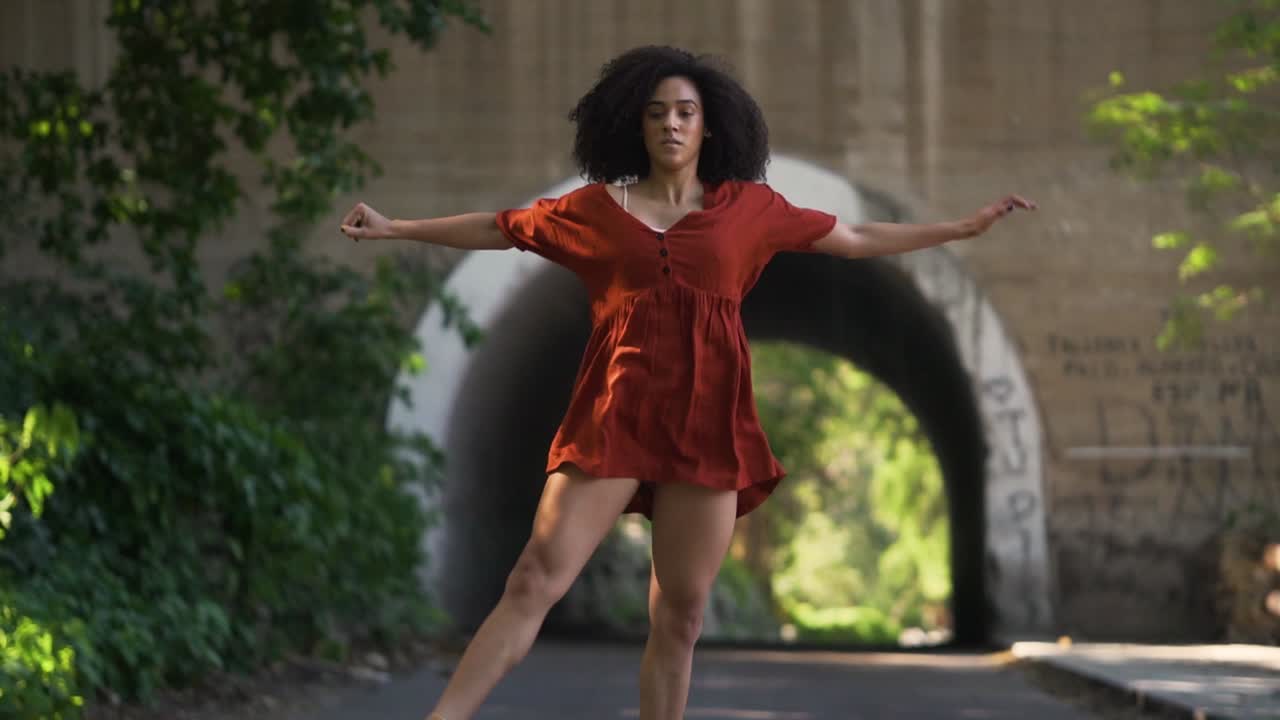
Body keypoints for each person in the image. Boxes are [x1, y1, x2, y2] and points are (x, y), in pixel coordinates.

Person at [340, 45, 1035, 720]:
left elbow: (853, 239)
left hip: (708, 425)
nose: (670, 124)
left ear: (709, 127)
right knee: (533, 580)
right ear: (635, 126)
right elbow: (500, 229)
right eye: (656, 113)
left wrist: (960, 228)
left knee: (681, 615)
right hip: (613, 419)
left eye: (685, 112)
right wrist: (395, 227)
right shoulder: (593, 211)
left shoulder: (751, 210)